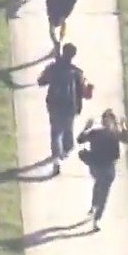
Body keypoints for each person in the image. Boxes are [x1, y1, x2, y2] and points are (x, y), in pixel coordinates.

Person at [36, 43, 88, 174]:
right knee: (68, 129)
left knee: (55, 134)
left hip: (55, 105)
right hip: (70, 106)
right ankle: (66, 149)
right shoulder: (77, 72)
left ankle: (56, 160)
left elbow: (41, 81)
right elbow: (82, 91)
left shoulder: (53, 68)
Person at [77, 109, 128, 232]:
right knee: (103, 191)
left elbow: (80, 139)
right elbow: (126, 139)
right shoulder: (113, 133)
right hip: (105, 167)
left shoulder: (96, 133)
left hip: (98, 166)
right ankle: (97, 216)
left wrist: (86, 128)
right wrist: (123, 126)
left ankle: (94, 207)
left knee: (99, 185)